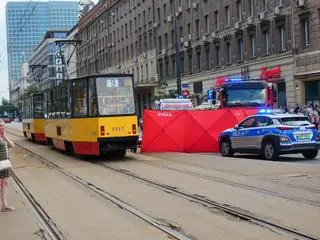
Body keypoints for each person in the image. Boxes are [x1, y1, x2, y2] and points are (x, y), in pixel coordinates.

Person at [0, 119, 15, 212]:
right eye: (0, 125)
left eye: (2, 125)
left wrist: (5, 137)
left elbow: (13, 146)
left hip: (5, 164)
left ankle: (5, 205)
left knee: (5, 184)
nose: (1, 127)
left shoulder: (4, 137)